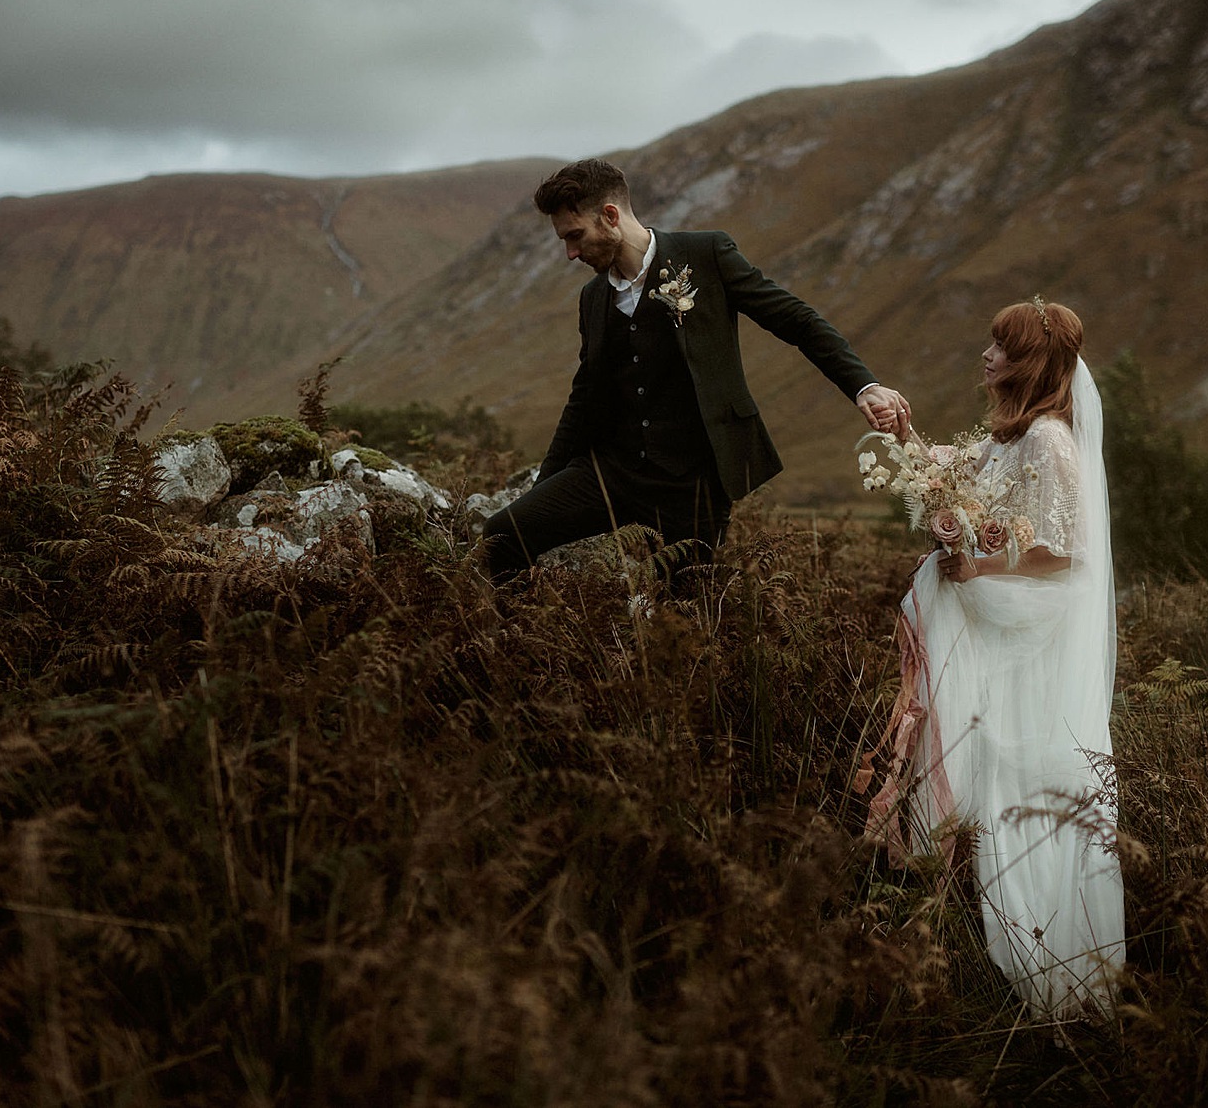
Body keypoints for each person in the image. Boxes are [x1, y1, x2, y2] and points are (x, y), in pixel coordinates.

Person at [864, 297, 1124, 1020]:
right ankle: (964, 933)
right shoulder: (1010, 436)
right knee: (985, 769)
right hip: (992, 625)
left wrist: (977, 567)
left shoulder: (1049, 441)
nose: (986, 357)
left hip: (1019, 634)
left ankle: (1037, 955)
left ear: (1030, 363)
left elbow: (1063, 550)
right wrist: (909, 435)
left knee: (1012, 775)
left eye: (1000, 349)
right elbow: (951, 475)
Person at [480, 158, 913, 578]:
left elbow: (796, 320)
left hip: (695, 484)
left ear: (610, 216)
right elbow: (584, 397)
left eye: (575, 236)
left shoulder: (706, 254)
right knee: (502, 535)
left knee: (685, 614)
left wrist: (864, 386)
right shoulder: (592, 298)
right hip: (613, 471)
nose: (571, 253)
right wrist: (544, 487)